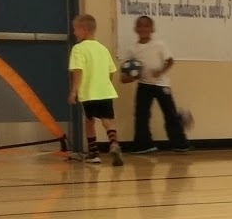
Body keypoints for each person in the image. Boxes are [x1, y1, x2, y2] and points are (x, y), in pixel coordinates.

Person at [122, 15, 192, 154]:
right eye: (140, 26)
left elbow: (170, 61)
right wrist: (133, 77)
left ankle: (180, 144)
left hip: (161, 85)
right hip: (144, 85)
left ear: (152, 29)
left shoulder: (159, 45)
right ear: (135, 29)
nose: (143, 29)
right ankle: (144, 144)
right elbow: (125, 76)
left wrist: (161, 71)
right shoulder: (132, 49)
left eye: (146, 26)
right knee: (141, 115)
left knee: (170, 114)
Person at [68, 13, 122, 166]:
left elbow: (77, 71)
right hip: (105, 91)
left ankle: (94, 153)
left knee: (89, 121)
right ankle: (114, 143)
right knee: (108, 120)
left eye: (75, 29)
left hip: (89, 93)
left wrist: (73, 91)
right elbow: (112, 71)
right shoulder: (103, 49)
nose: (74, 32)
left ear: (83, 29)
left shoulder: (78, 49)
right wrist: (106, 84)